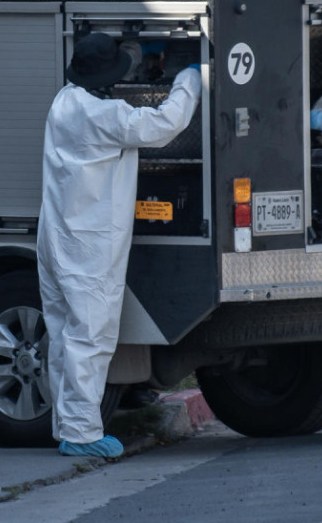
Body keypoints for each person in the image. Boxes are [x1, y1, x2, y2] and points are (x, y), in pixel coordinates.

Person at [37, 33, 201, 458]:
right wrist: (190, 76)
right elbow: (167, 124)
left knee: (63, 335)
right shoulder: (105, 115)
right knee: (90, 339)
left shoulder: (64, 102)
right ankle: (81, 434)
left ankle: (66, 424)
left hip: (56, 236)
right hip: (88, 245)